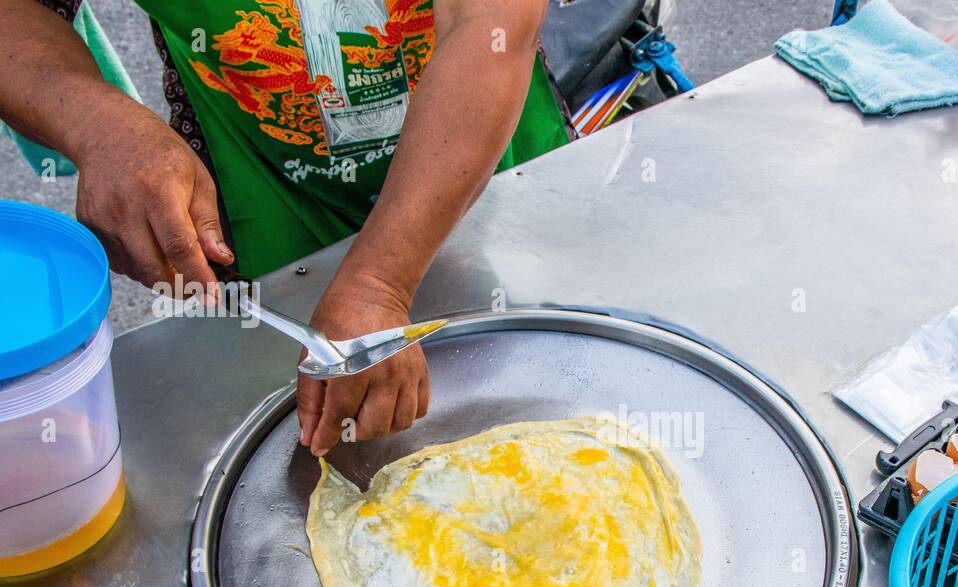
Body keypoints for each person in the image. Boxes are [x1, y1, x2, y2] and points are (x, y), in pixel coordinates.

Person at [0, 0, 571, 454]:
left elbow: (490, 25)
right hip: (266, 197)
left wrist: (379, 283)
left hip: (489, 181)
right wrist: (97, 124)